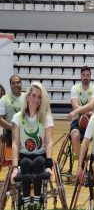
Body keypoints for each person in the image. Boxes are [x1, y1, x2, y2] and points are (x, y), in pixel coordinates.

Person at [10, 82, 54, 210]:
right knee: (25, 163)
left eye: (39, 97)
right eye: (34, 96)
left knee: (40, 161)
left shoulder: (46, 117)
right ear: (27, 97)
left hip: (41, 154)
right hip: (24, 155)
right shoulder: (17, 117)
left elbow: (49, 141)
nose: (36, 99)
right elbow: (15, 143)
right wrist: (14, 168)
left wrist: (49, 165)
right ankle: (26, 200)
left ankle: (37, 199)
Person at [67, 65, 94, 157]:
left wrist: (76, 112)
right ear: (81, 76)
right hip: (78, 120)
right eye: (84, 75)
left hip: (92, 121)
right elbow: (75, 105)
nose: (86, 77)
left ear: (90, 77)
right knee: (75, 135)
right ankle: (81, 161)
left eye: (88, 75)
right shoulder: (75, 88)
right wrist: (87, 111)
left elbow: (92, 105)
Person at [0, 75, 24, 147]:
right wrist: (13, 128)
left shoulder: (28, 98)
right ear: (10, 85)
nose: (16, 85)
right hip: (11, 132)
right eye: (13, 83)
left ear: (21, 83)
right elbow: (0, 119)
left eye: (18, 82)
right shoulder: (4, 99)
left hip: (26, 131)